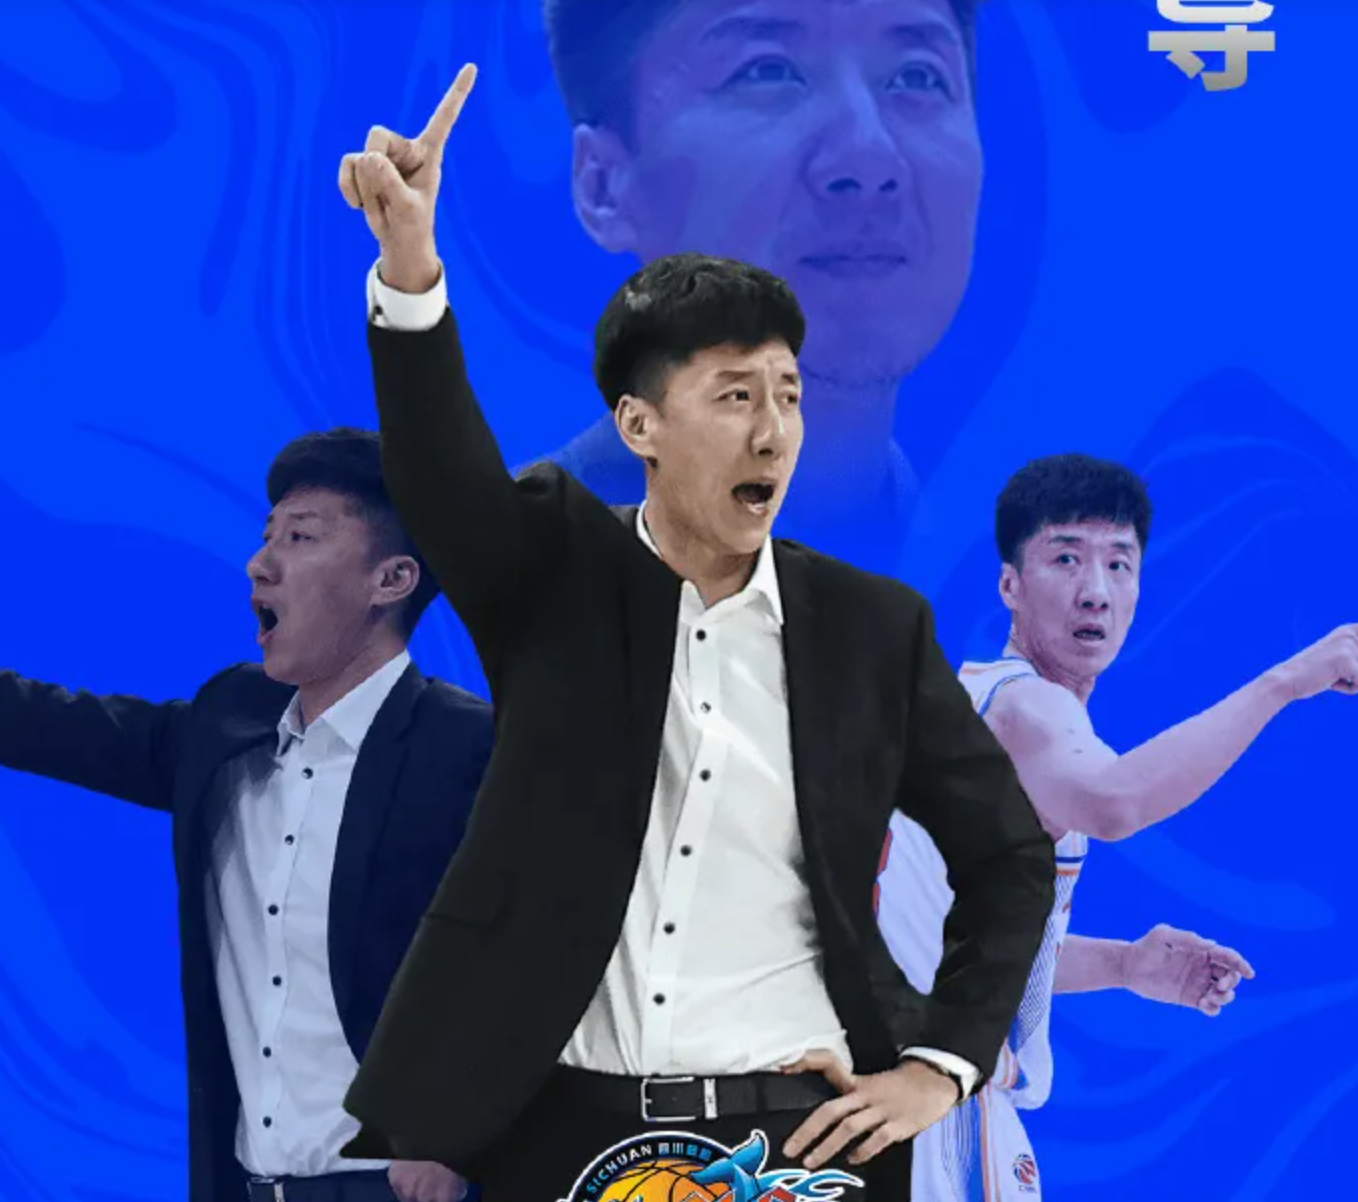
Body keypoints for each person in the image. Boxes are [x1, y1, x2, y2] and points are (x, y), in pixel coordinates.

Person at [334, 67, 1053, 1202]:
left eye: (788, 393)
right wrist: (411, 272)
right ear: (639, 425)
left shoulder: (872, 627)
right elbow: (442, 476)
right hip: (558, 1130)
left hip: (805, 1136)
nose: (772, 431)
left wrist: (941, 1065)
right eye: (732, 396)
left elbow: (1008, 854)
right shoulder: (550, 571)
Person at [0, 428, 493, 1202]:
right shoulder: (227, 725)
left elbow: (553, 951)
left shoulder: (469, 747)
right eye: (268, 536)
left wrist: (465, 1123)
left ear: (392, 579)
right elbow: (57, 725)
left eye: (301, 537)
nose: (260, 563)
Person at [874, 452, 1358, 1201]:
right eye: (1066, 558)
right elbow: (1116, 802)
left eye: (1119, 565)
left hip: (917, 1094)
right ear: (1009, 585)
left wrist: (1126, 966)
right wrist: (1286, 683)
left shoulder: (981, 707)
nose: (1095, 590)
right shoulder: (1024, 706)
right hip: (929, 1107)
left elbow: (951, 944)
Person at [535, 0, 987, 568]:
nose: (869, 156)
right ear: (605, 184)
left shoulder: (995, 580)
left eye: (917, 77)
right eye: (766, 70)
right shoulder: (496, 576)